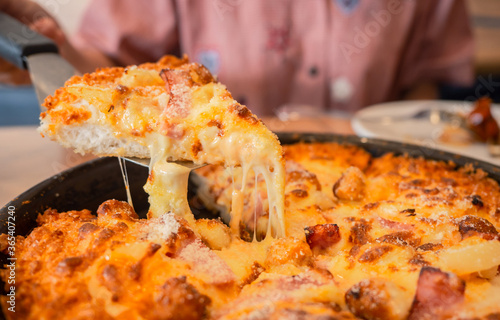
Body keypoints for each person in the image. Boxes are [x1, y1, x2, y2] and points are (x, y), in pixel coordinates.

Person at [1, 0, 474, 117]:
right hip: (197, 179)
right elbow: (111, 70)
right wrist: (49, 49)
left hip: (383, 198)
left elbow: (432, 87)